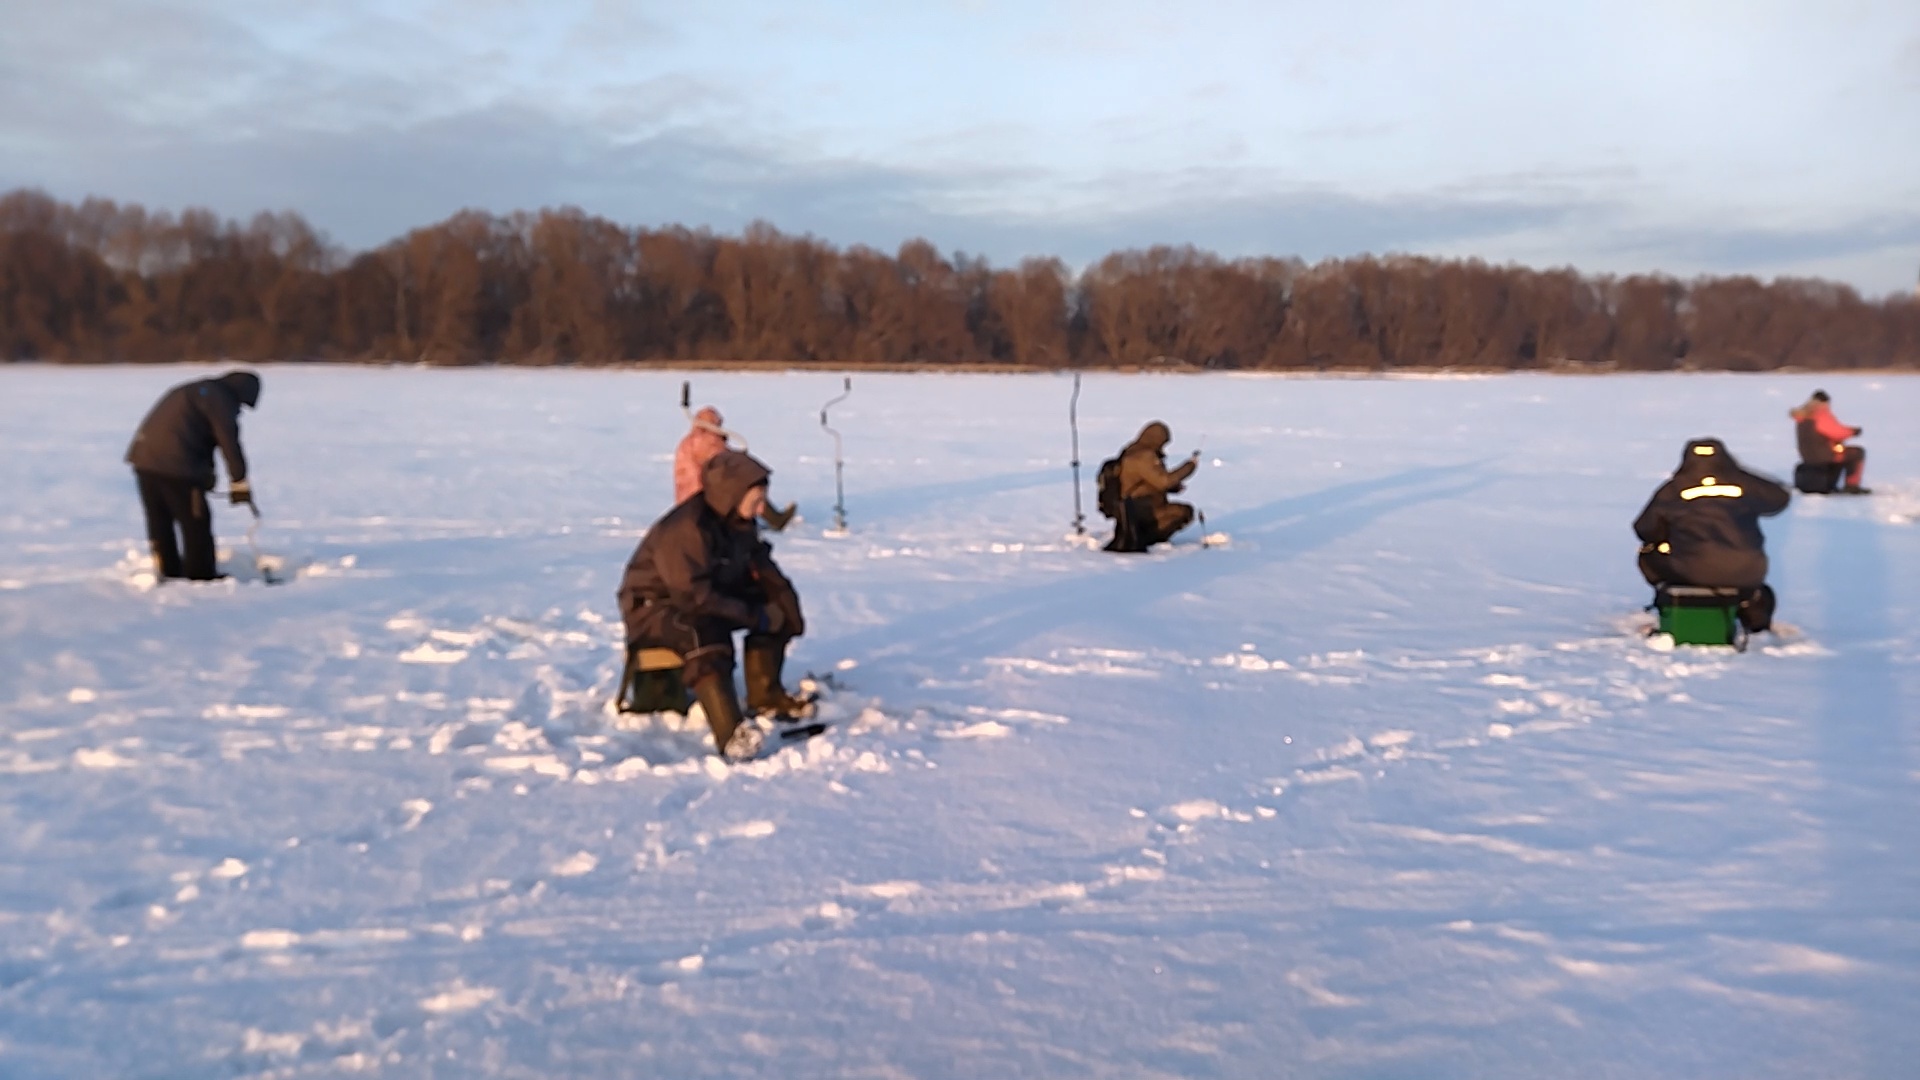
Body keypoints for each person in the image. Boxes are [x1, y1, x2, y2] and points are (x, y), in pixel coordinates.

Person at [618, 450, 809, 760]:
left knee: (773, 608)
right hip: (653, 607)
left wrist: (782, 600)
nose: (762, 509)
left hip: (703, 595)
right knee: (704, 634)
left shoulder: (737, 520)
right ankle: (731, 734)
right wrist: (753, 616)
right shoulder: (687, 528)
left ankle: (766, 696)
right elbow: (691, 595)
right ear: (732, 494)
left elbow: (757, 561)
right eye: (756, 501)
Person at [1632, 438, 1790, 632]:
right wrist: (1739, 475)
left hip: (1690, 572)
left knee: (1648, 552)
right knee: (1753, 584)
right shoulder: (1743, 485)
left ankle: (1673, 598)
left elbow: (1645, 529)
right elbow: (1780, 498)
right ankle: (1750, 606)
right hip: (1748, 571)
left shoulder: (1673, 489)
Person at [124, 370, 261, 581]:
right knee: (196, 522)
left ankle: (167, 569)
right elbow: (228, 442)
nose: (239, 409)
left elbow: (194, 433)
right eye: (242, 404)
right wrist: (239, 482)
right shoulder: (220, 399)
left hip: (144, 460)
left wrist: (206, 473)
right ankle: (201, 575)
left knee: (160, 519)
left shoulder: (195, 390)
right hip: (176, 468)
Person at [674, 405, 797, 530]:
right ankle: (775, 519)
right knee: (749, 485)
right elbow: (722, 458)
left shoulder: (688, 440)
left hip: (686, 495)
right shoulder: (706, 439)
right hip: (701, 491)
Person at [1103, 420, 1199, 553]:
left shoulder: (1131, 450)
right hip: (1143, 508)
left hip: (1130, 508)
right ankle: (1147, 536)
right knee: (1184, 512)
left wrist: (1172, 488)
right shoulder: (1144, 456)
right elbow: (1163, 481)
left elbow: (1147, 480)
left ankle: (1139, 532)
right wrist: (1189, 467)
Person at [1788, 390, 1869, 494]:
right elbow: (1837, 433)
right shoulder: (1820, 415)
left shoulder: (1802, 417)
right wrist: (1854, 431)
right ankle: (1852, 486)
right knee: (1857, 452)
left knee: (1841, 452)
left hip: (1808, 456)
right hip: (1824, 455)